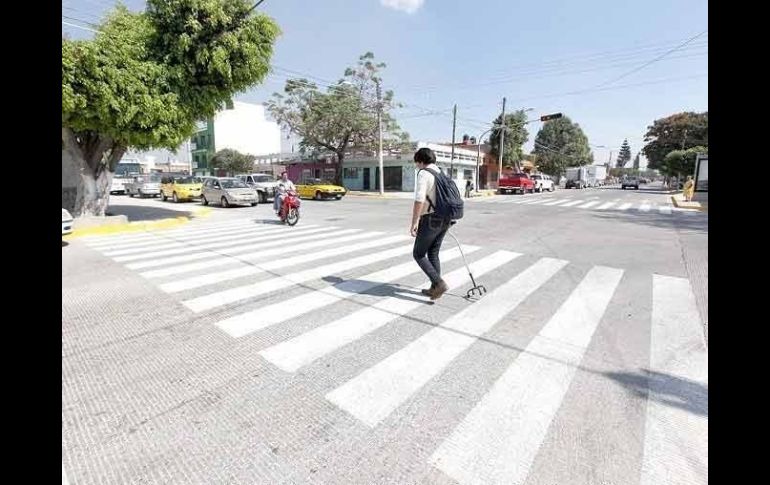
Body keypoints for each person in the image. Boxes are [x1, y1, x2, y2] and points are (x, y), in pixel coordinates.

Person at [411, 147, 450, 300]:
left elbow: (419, 199)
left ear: (421, 161)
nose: (416, 166)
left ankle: (439, 283)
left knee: (419, 254)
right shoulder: (441, 173)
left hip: (431, 219)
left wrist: (414, 221)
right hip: (446, 218)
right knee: (433, 253)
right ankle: (435, 288)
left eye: (416, 162)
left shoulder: (424, 173)